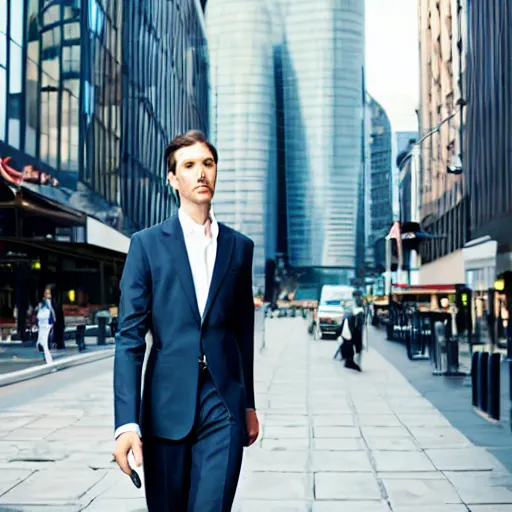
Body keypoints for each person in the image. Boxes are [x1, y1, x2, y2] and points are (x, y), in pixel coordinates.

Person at [113, 130, 259, 511]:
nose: (201, 174)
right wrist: (126, 424)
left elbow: (243, 332)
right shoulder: (146, 245)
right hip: (165, 407)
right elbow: (129, 338)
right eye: (190, 165)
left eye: (208, 164)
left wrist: (249, 405)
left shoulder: (239, 248)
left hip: (223, 403)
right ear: (173, 179)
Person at [35, 287, 56, 364]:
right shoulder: (43, 303)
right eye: (47, 293)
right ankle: (47, 359)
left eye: (49, 293)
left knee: (44, 344)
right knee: (41, 343)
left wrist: (51, 323)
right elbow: (39, 314)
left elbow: (51, 314)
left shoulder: (48, 303)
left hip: (46, 325)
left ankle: (48, 361)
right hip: (43, 324)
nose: (48, 295)